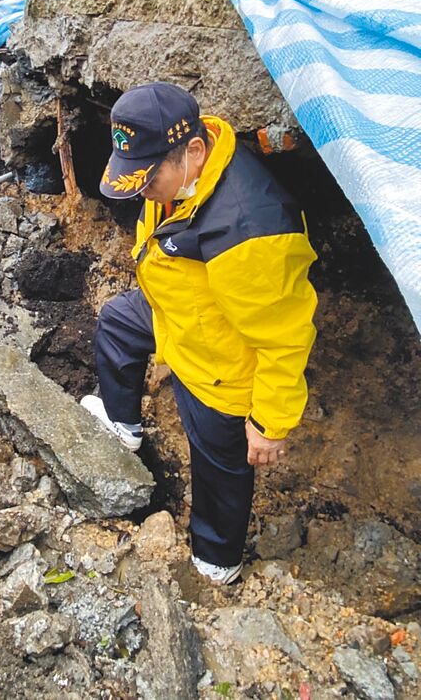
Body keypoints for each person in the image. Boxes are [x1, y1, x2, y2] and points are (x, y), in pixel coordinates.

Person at [83, 82, 317, 584]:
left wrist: (270, 422)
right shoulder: (180, 174)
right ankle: (123, 425)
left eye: (147, 181)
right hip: (178, 306)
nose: (141, 192)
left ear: (192, 151)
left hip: (219, 361)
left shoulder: (249, 231)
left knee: (219, 461)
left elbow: (284, 336)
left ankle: (216, 560)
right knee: (118, 323)